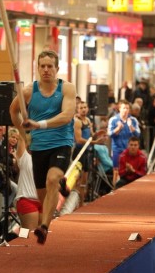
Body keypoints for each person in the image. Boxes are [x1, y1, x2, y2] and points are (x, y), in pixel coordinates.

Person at [10, 50, 76, 244]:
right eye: (42, 66)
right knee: (44, 195)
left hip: (61, 143)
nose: (46, 70)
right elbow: (13, 112)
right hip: (39, 146)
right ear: (37, 68)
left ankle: (45, 227)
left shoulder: (66, 89)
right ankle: (60, 183)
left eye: (50, 66)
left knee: (51, 178)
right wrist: (25, 136)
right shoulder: (29, 91)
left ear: (57, 68)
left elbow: (67, 116)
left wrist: (39, 124)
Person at [72, 101, 104, 203]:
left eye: (85, 107)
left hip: (87, 152)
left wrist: (99, 134)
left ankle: (81, 203)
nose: (83, 110)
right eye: (81, 108)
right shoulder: (77, 122)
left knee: (84, 181)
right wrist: (94, 142)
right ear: (77, 110)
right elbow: (79, 139)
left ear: (88, 108)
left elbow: (92, 135)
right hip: (79, 152)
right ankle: (74, 204)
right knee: (77, 180)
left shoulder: (88, 120)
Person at [13, 128, 41, 231]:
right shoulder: (24, 157)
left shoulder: (46, 159)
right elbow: (21, 136)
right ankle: (21, 246)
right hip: (27, 200)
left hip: (43, 201)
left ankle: (21, 243)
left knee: (41, 237)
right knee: (27, 234)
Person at [108, 99, 140, 185]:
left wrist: (131, 127)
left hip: (130, 151)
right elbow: (110, 134)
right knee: (116, 171)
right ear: (119, 108)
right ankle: (114, 190)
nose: (125, 110)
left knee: (131, 171)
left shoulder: (133, 120)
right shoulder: (113, 120)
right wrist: (118, 129)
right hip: (117, 149)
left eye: (127, 108)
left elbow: (138, 135)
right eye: (124, 108)